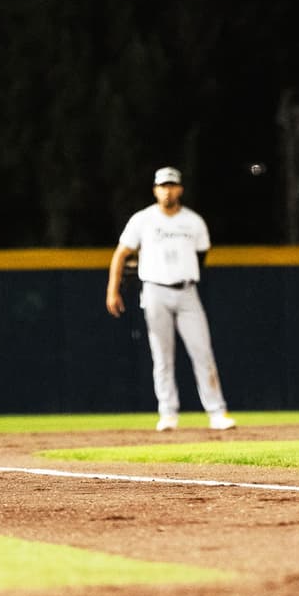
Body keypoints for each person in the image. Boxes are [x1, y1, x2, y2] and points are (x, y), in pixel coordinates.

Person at [106, 166, 236, 432]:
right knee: (162, 356)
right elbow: (121, 254)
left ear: (180, 189)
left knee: (202, 351)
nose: (167, 190)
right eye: (162, 186)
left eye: (171, 185)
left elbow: (201, 256)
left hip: (187, 291)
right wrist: (113, 290)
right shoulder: (142, 220)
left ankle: (217, 412)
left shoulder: (194, 222)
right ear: (155, 190)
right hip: (155, 291)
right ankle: (167, 413)